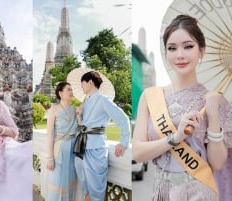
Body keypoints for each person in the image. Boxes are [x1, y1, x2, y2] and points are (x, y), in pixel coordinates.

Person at [132, 15, 232, 201]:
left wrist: (213, 115)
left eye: (188, 46)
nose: (180, 54)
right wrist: (175, 138)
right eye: (172, 48)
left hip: (199, 191)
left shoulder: (216, 101)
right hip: (161, 191)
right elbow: (138, 153)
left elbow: (217, 163)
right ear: (166, 52)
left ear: (201, 51)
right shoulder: (150, 97)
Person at [74, 71, 131, 201]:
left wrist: (124, 141)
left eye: (82, 83)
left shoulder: (103, 100)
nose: (81, 86)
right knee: (85, 185)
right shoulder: (85, 102)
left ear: (90, 82)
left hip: (96, 147)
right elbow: (82, 125)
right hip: (80, 146)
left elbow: (123, 118)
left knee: (95, 186)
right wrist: (79, 115)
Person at [46, 82, 78, 201]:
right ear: (60, 93)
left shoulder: (75, 109)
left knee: (70, 179)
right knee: (57, 180)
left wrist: (79, 116)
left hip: (73, 150)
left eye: (72, 89)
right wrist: (50, 157)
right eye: (68, 89)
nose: (71, 92)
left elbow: (80, 129)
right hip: (59, 149)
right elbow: (50, 134)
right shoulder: (53, 110)